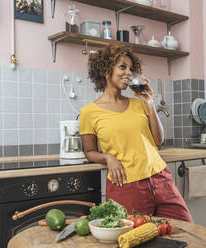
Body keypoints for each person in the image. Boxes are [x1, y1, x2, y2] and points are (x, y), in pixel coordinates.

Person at [79, 45, 193, 222]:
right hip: (126, 184)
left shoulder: (139, 103)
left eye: (131, 69)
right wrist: (107, 157)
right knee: (133, 239)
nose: (128, 73)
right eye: (122, 67)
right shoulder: (89, 112)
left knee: (185, 230)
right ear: (105, 69)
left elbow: (158, 140)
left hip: (160, 177)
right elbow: (89, 152)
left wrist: (150, 103)